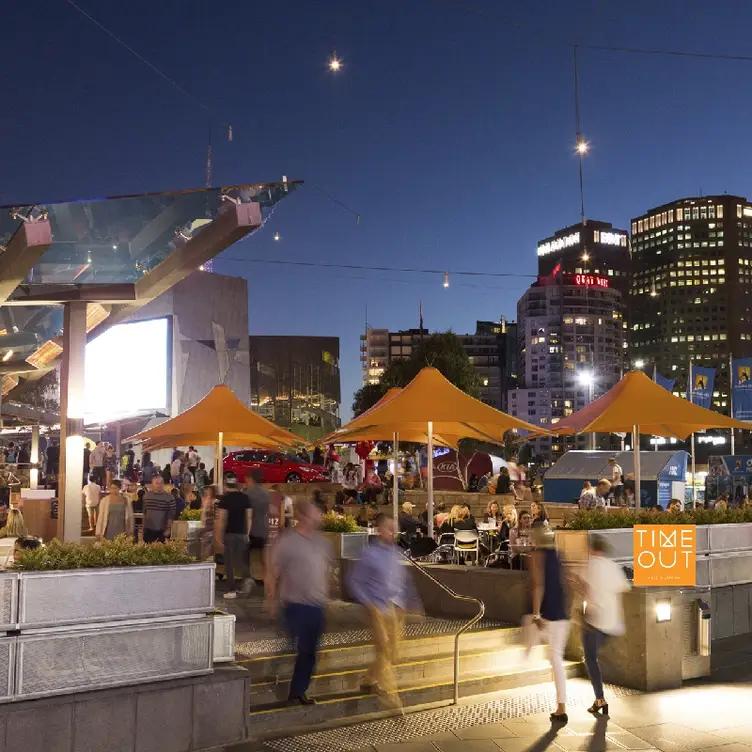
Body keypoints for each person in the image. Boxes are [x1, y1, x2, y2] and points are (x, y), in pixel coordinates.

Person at [347, 513, 420, 710]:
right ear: (380, 530)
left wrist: (409, 603)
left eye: (394, 528)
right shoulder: (369, 554)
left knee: (392, 653)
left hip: (395, 609)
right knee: (384, 649)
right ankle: (392, 699)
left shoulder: (396, 553)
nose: (393, 532)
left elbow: (404, 581)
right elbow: (354, 581)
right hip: (377, 608)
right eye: (389, 528)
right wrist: (368, 604)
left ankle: (368, 679)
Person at [267, 499, 331, 705]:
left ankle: (298, 690)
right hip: (294, 603)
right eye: (315, 513)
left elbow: (327, 571)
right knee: (300, 646)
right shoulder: (288, 541)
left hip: (316, 604)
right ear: (303, 516)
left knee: (309, 651)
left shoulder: (322, 542)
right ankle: (291, 682)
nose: (318, 517)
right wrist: (271, 599)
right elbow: (273, 571)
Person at [580, 534, 629, 717]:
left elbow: (587, 589)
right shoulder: (613, 566)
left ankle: (600, 698)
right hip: (613, 622)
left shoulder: (591, 564)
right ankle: (599, 697)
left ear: (592, 549)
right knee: (594, 658)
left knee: (590, 659)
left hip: (596, 621)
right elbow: (623, 588)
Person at [529, 526, 570, 724]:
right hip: (562, 613)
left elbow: (538, 585)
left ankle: (561, 706)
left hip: (549, 614)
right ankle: (560, 705)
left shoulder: (538, 556)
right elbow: (566, 581)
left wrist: (536, 613)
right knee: (556, 658)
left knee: (555, 660)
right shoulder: (559, 554)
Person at [217, 473, 251, 599]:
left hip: (229, 534)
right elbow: (249, 517)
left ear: (226, 484)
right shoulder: (245, 498)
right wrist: (247, 533)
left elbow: (221, 519)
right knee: (242, 560)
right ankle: (247, 578)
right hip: (242, 534)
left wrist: (219, 538)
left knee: (229, 563)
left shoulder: (225, 500)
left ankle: (232, 590)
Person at [246, 469, 271, 583]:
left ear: (251, 479)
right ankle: (266, 578)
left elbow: (247, 515)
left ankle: (248, 578)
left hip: (251, 529)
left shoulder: (248, 493)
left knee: (244, 553)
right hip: (264, 528)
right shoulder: (267, 493)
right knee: (264, 557)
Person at [142, 475, 176, 543]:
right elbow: (145, 513)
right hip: (148, 529)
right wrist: (143, 527)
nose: (159, 485)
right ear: (152, 484)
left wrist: (168, 529)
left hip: (162, 530)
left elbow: (171, 515)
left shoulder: (170, 498)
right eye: (157, 483)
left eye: (161, 483)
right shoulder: (146, 496)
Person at [199, 485, 217, 560]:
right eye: (206, 491)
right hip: (206, 528)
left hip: (213, 529)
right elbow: (203, 515)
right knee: (204, 548)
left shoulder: (216, 502)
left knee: (209, 550)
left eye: (209, 491)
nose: (207, 493)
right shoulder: (205, 501)